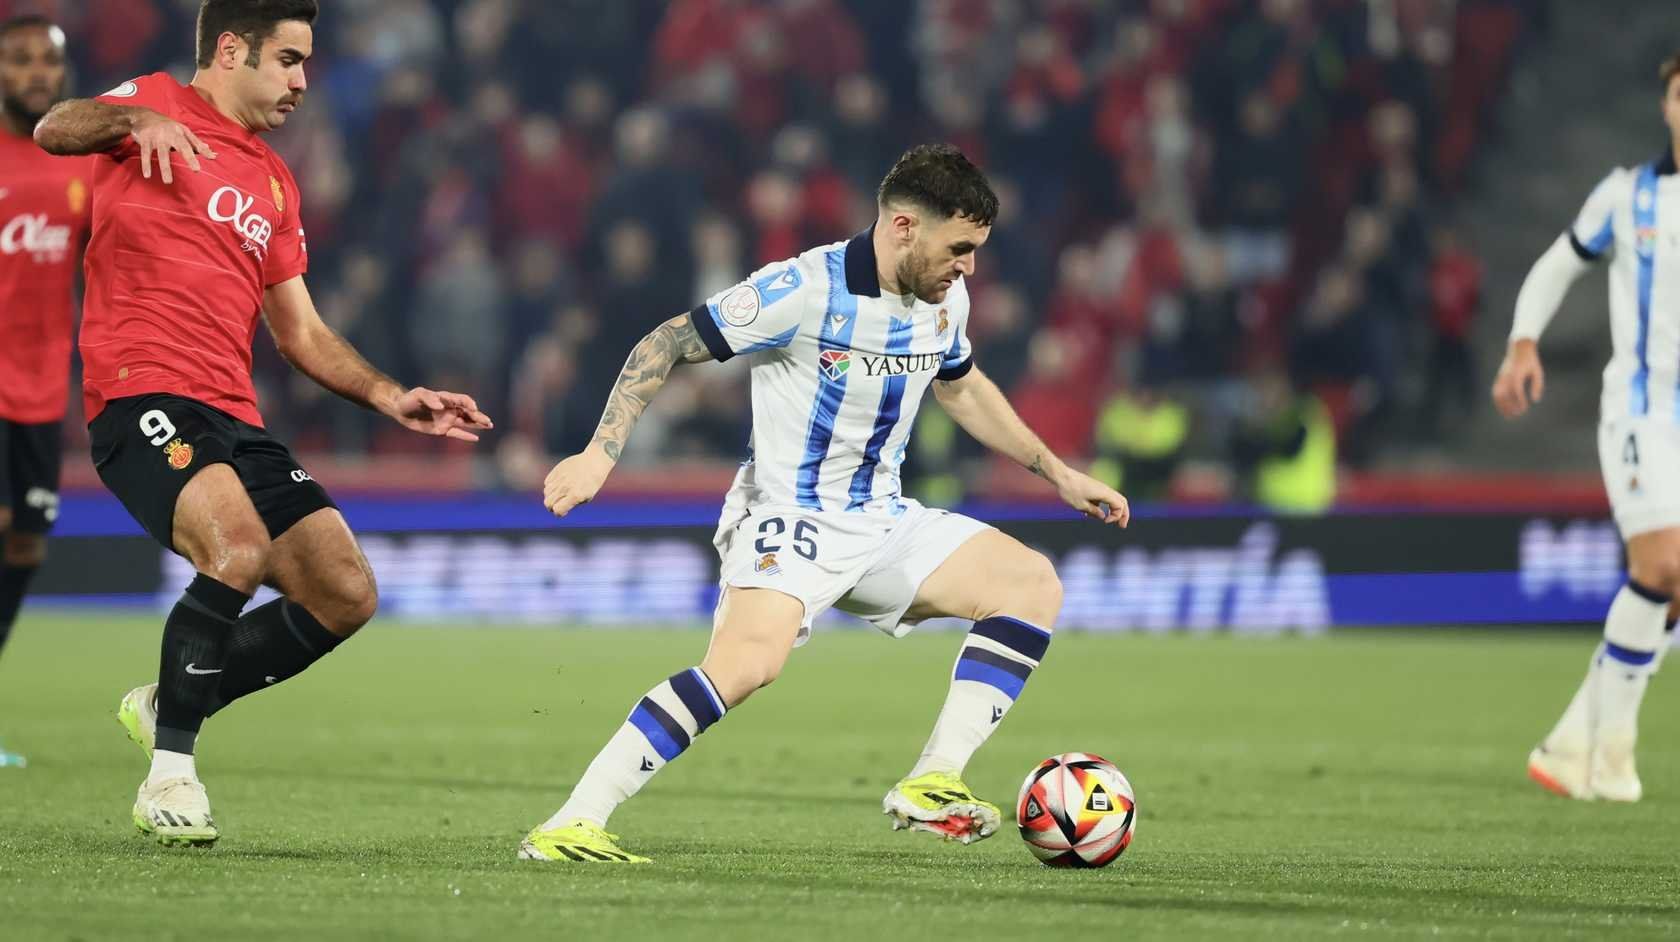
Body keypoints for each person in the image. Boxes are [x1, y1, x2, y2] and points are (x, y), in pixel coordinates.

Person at [520, 144, 1129, 863]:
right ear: (903, 226)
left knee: (1030, 583)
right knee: (748, 666)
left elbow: (959, 385)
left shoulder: (946, 297)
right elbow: (666, 343)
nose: (968, 268)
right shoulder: (800, 290)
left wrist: (1056, 473)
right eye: (958, 248)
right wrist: (600, 454)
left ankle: (933, 778)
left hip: (883, 519)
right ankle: (573, 821)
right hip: (789, 515)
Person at [32, 0, 492, 845]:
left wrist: (393, 397)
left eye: (306, 63)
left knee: (345, 592)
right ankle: (170, 774)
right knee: (236, 548)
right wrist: (131, 117)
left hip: (232, 413)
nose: (302, 81)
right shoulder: (154, 105)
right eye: (287, 60)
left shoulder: (275, 182)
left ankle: (170, 698)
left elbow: (304, 333)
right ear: (233, 48)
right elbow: (55, 125)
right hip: (141, 396)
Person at [1493, 52, 1680, 803]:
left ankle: (1574, 744)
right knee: (1664, 563)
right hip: (1642, 406)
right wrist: (1523, 341)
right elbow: (1557, 264)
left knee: (1675, 584)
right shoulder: (1626, 196)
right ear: (1665, 106)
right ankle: (1613, 753)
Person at [0, 14, 92, 770]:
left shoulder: (81, 166)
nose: (36, 73)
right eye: (20, 59)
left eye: (47, 62)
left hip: (41, 388)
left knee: (25, 542)